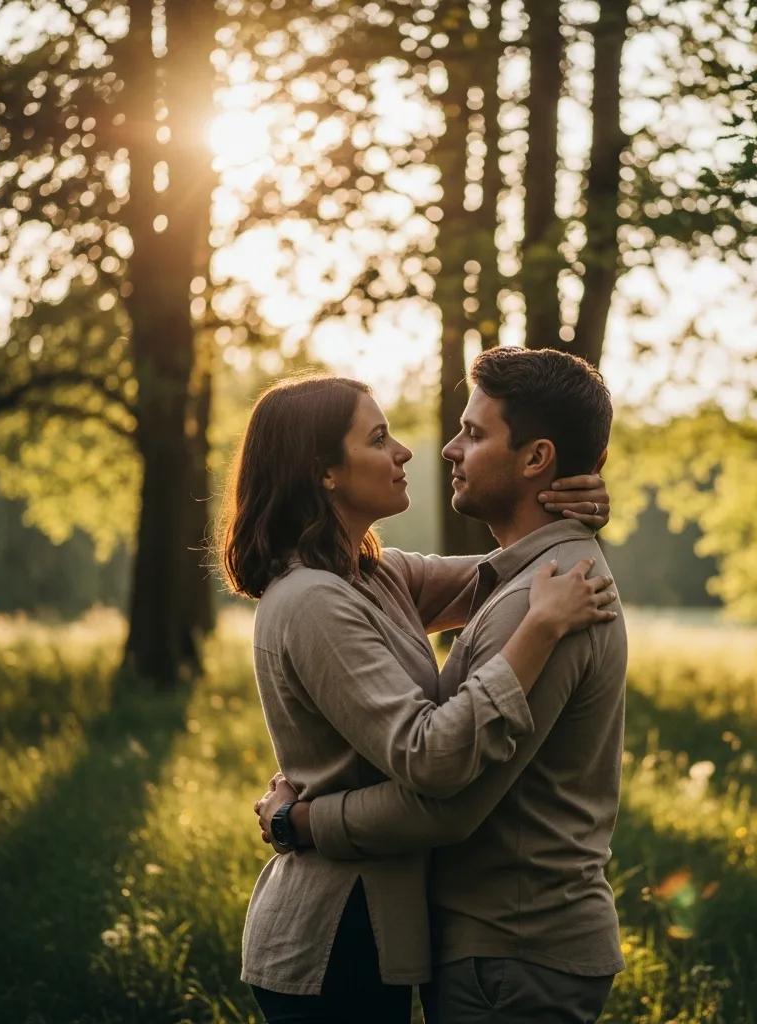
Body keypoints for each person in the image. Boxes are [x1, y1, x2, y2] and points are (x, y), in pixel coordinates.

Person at [219, 372, 617, 1024]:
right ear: (324, 472)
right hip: (331, 936)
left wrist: (575, 506)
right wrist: (540, 629)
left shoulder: (376, 576)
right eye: (379, 439)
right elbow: (427, 754)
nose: (406, 452)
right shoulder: (313, 600)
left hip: (377, 931)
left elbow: (512, 569)